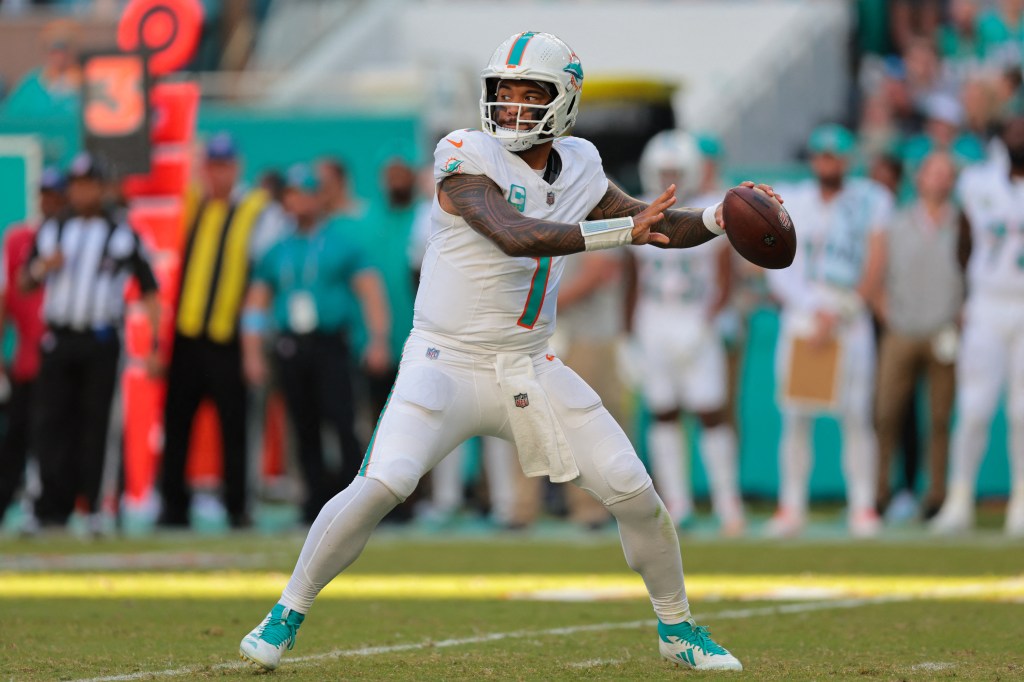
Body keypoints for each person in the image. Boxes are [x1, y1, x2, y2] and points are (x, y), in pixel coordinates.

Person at [239, 31, 780, 672]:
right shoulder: (462, 153)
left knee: (634, 491)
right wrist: (617, 231)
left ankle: (678, 628)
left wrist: (719, 217)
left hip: (527, 364)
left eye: (531, 94)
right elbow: (514, 234)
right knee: (383, 483)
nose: (514, 106)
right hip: (444, 361)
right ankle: (286, 613)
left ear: (565, 100)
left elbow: (654, 223)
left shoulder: (579, 163)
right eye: (504, 91)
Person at [240, 163, 391, 524]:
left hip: (330, 344)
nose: (299, 202)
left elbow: (370, 292)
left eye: (306, 193)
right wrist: (252, 354)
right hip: (292, 346)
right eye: (292, 194)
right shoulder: (276, 250)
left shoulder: (341, 245)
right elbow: (256, 304)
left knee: (343, 422)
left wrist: (378, 340)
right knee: (302, 425)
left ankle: (358, 501)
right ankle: (314, 502)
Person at [19, 153, 160, 533]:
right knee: (50, 424)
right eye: (77, 185)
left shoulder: (121, 231)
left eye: (89, 185)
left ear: (101, 188)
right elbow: (24, 282)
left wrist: (155, 344)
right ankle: (49, 507)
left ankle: (96, 506)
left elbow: (149, 289)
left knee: (96, 424)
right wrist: (41, 268)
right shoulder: (52, 230)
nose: (82, 193)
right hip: (60, 337)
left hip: (99, 338)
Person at [766, 124, 892, 538]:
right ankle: (792, 507)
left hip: (848, 312)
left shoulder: (870, 199)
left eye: (834, 155)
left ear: (848, 159)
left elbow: (876, 260)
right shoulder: (795, 200)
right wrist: (810, 306)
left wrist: (843, 309)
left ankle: (862, 505)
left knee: (856, 414)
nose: (827, 162)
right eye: (821, 155)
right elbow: (777, 261)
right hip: (805, 312)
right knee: (796, 417)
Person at [158, 133, 285, 529]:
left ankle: (236, 507)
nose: (217, 173)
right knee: (177, 424)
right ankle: (173, 508)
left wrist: (253, 343)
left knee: (235, 426)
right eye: (211, 165)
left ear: (237, 167)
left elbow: (263, 279)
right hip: (186, 336)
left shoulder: (256, 209)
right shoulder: (191, 205)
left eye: (224, 165)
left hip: (229, 338)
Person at [625, 130, 744, 535]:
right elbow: (631, 278)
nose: (669, 177)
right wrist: (628, 335)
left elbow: (728, 278)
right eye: (664, 170)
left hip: (696, 320)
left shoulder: (710, 210)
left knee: (710, 412)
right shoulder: (637, 208)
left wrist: (709, 319)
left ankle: (727, 501)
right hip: (654, 320)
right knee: (663, 412)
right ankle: (676, 502)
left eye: (677, 170)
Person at [931, 115, 1024, 536]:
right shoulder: (978, 182)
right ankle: (959, 497)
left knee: (1023, 412)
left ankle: (1021, 501)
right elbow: (964, 245)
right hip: (987, 302)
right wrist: (968, 296)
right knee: (973, 408)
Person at [875, 151, 963, 522]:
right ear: (920, 178)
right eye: (934, 172)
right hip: (902, 330)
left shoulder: (963, 223)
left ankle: (936, 497)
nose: (939, 180)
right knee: (886, 414)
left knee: (940, 418)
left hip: (944, 331)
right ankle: (878, 494)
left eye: (946, 174)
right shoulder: (896, 223)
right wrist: (890, 317)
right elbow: (876, 278)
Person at [0, 167, 66, 526]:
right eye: (45, 194)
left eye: (55, 195)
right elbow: (11, 293)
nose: (49, 201)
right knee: (19, 435)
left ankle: (52, 506)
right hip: (28, 356)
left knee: (56, 438)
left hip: (64, 358)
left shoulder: (75, 235)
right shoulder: (20, 240)